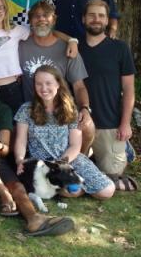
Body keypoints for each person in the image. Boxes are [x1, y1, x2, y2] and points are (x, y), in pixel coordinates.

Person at [0, 65, 75, 237]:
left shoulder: (2, 109)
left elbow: (4, 147)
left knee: (18, 187)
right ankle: (2, 191)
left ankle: (34, 219)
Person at [14, 65, 115, 200]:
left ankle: (79, 186)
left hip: (69, 159)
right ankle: (75, 187)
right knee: (71, 191)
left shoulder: (70, 109)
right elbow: (21, 140)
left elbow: (75, 145)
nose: (43, 88)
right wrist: (20, 160)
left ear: (58, 84)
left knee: (107, 191)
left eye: (48, 83)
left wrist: (62, 164)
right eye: (39, 84)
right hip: (44, 164)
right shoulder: (26, 109)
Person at [0, 0, 77, 115]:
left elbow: (46, 32)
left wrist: (71, 40)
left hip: (11, 90)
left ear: (5, 10)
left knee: (12, 131)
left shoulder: (17, 30)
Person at [18, 0, 94, 153]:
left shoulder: (67, 48)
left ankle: (80, 158)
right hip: (32, 112)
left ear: (54, 19)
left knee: (87, 126)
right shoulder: (20, 45)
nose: (41, 19)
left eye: (46, 15)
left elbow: (79, 86)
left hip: (61, 110)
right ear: (30, 20)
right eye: (36, 16)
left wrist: (85, 108)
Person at [79, 0, 137, 191]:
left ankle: (124, 150)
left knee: (113, 175)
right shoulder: (74, 48)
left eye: (101, 16)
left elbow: (129, 89)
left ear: (107, 21)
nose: (96, 19)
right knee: (76, 173)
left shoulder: (120, 48)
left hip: (110, 124)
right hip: (80, 125)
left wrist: (125, 123)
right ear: (83, 19)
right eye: (92, 15)